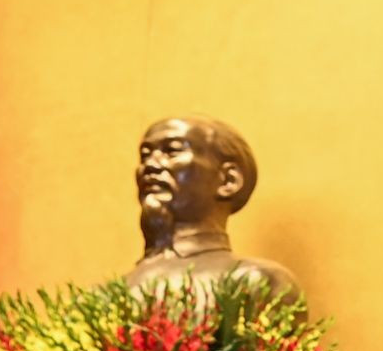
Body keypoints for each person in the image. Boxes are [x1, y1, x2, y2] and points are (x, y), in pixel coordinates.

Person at [125, 115, 302, 300]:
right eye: (145, 155)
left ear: (228, 180)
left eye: (172, 151)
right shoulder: (108, 294)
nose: (150, 165)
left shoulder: (255, 282)